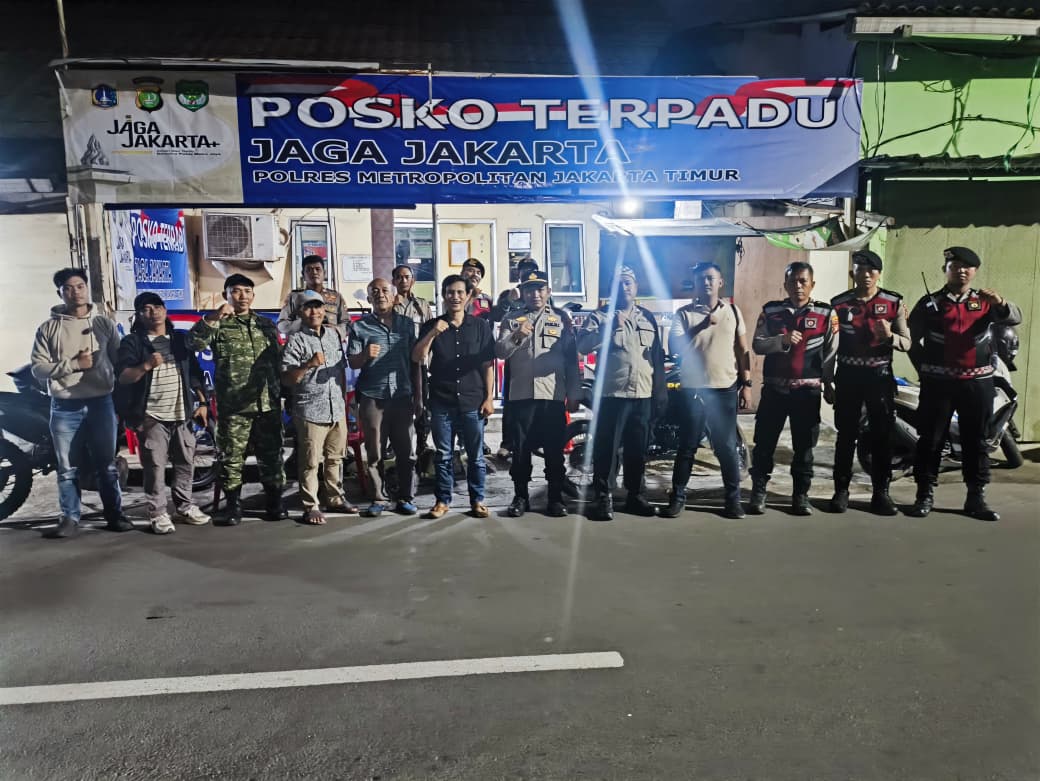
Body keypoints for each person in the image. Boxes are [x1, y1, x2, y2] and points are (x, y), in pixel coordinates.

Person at [906, 246, 1022, 521]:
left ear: (975, 271)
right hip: (938, 384)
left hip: (977, 384)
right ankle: (924, 495)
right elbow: (910, 339)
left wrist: (1000, 301)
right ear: (945, 270)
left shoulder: (986, 302)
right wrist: (924, 368)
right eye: (954, 266)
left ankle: (976, 497)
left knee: (976, 441)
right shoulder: (930, 303)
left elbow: (1014, 317)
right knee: (931, 440)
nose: (961, 270)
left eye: (966, 267)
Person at [31, 267, 131, 537]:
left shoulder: (103, 324)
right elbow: (38, 369)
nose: (75, 292)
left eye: (79, 286)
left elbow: (119, 360)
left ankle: (115, 515)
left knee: (107, 464)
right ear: (60, 293)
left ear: (87, 289)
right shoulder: (48, 328)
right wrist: (73, 365)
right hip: (65, 406)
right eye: (68, 288)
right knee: (67, 467)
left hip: (101, 402)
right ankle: (69, 518)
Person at [189, 273, 287, 525]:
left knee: (272, 455)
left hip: (267, 403)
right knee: (231, 458)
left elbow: (277, 362)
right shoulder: (219, 324)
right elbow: (192, 343)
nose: (242, 296)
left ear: (253, 295)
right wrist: (213, 317)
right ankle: (233, 507)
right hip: (234, 406)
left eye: (247, 291)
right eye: (236, 291)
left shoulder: (266, 325)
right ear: (226, 295)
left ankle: (274, 503)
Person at [115, 292, 211, 534]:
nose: (153, 312)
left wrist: (203, 403)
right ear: (139, 315)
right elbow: (123, 377)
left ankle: (184, 507)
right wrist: (146, 365)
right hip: (152, 415)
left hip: (182, 413)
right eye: (146, 309)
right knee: (155, 467)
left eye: (157, 307)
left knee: (185, 462)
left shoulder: (180, 339)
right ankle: (158, 513)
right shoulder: (132, 343)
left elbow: (195, 373)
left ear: (165, 310)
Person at [661, 262, 751, 520]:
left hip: (724, 389)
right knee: (687, 446)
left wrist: (747, 385)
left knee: (726, 447)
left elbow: (742, 349)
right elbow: (674, 348)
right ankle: (678, 498)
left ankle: (733, 501)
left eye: (711, 278)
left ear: (720, 282)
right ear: (695, 283)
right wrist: (701, 325)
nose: (707, 283)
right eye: (701, 279)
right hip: (694, 391)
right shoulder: (683, 314)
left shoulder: (733, 311)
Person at [576, 265, 666, 521]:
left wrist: (660, 391)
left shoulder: (647, 317)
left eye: (628, 283)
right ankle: (602, 498)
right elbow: (582, 346)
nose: (624, 287)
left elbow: (656, 357)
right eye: (619, 283)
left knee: (637, 451)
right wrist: (608, 328)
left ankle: (635, 496)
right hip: (611, 396)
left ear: (636, 287)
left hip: (642, 395)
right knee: (606, 450)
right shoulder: (599, 316)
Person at [749, 261, 838, 516]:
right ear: (785, 284)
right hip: (775, 391)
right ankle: (758, 493)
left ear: (812, 284)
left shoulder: (825, 313)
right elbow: (758, 345)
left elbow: (831, 351)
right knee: (764, 444)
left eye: (803, 281)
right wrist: (782, 340)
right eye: (793, 281)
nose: (798, 286)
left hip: (807, 393)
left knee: (804, 448)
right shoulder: (771, 311)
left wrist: (828, 383)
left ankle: (800, 496)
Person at [829, 250, 910, 515]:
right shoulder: (838, 304)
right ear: (852, 272)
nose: (865, 275)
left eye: (871, 270)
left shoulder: (893, 302)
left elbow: (907, 343)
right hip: (848, 377)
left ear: (879, 273)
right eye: (859, 269)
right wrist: (827, 380)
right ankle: (841, 491)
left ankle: (881, 493)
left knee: (881, 437)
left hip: (879, 377)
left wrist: (890, 337)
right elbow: (831, 345)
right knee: (846, 436)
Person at [495, 270, 581, 517]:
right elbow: (500, 351)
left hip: (552, 396)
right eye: (530, 289)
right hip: (521, 397)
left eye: (540, 289)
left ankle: (555, 498)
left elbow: (571, 360)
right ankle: (521, 497)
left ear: (548, 292)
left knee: (554, 452)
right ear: (522, 293)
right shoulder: (512, 319)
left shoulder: (561, 318)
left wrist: (574, 392)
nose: (535, 294)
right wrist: (517, 336)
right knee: (521, 451)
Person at [412, 274, 496, 519]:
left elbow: (487, 365)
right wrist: (432, 334)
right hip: (442, 401)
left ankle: (477, 500)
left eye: (460, 292)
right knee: (443, 455)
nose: (455, 297)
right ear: (443, 296)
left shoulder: (480, 326)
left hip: (473, 400)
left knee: (476, 457)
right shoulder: (433, 325)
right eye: (450, 292)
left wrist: (489, 398)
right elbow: (417, 357)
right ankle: (442, 501)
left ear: (468, 296)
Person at [281, 290, 359, 524]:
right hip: (310, 410)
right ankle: (311, 505)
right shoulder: (296, 340)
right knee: (310, 461)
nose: (314, 311)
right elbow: (287, 378)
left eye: (318, 306)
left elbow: (341, 370)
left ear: (325, 309)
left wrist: (344, 403)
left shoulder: (333, 335)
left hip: (336, 408)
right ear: (300, 312)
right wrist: (309, 364)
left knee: (336, 458)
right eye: (308, 307)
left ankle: (335, 498)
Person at [348, 278, 422, 517]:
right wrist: (365, 355)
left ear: (394, 296)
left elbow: (415, 363)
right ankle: (378, 497)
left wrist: (419, 397)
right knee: (375, 452)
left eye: (384, 291)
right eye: (375, 291)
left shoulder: (407, 325)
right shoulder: (359, 327)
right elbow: (352, 362)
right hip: (372, 396)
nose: (380, 294)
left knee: (406, 451)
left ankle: (405, 496)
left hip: (402, 395)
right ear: (369, 298)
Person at [391, 263, 434, 460]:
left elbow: (431, 331)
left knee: (421, 402)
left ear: (413, 281)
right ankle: (394, 442)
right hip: (396, 362)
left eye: (406, 277)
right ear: (393, 281)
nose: (403, 280)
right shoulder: (389, 303)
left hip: (419, 362)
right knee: (396, 404)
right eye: (399, 277)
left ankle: (422, 442)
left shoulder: (422, 305)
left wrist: (429, 359)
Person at [277, 254, 348, 335]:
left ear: (324, 273)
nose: (314, 272)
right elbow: (282, 325)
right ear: (303, 275)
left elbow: (347, 324)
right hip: (303, 340)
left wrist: (334, 330)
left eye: (318, 269)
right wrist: (303, 323)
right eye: (309, 270)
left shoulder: (336, 297)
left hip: (330, 339)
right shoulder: (294, 297)